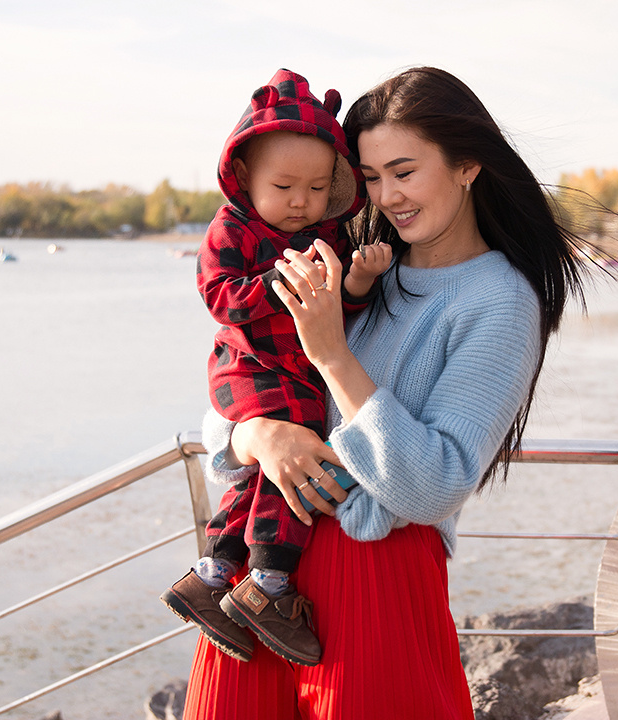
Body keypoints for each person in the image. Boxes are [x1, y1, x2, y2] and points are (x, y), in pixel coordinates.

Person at [181, 66, 592, 720]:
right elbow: (246, 379)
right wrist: (251, 436)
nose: (387, 195)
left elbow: (435, 484)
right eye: (370, 178)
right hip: (263, 572)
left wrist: (333, 355)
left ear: (466, 166)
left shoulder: (499, 302)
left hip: (372, 572)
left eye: (404, 171)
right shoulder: (362, 266)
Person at [161, 69, 391, 668]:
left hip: (296, 370)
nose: (301, 202)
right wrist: (278, 282)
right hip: (250, 365)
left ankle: (212, 574)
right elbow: (221, 297)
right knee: (299, 459)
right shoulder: (232, 228)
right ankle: (268, 582)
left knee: (276, 467)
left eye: (318, 188)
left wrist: (358, 278)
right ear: (244, 177)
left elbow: (338, 308)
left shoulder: (327, 234)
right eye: (285, 186)